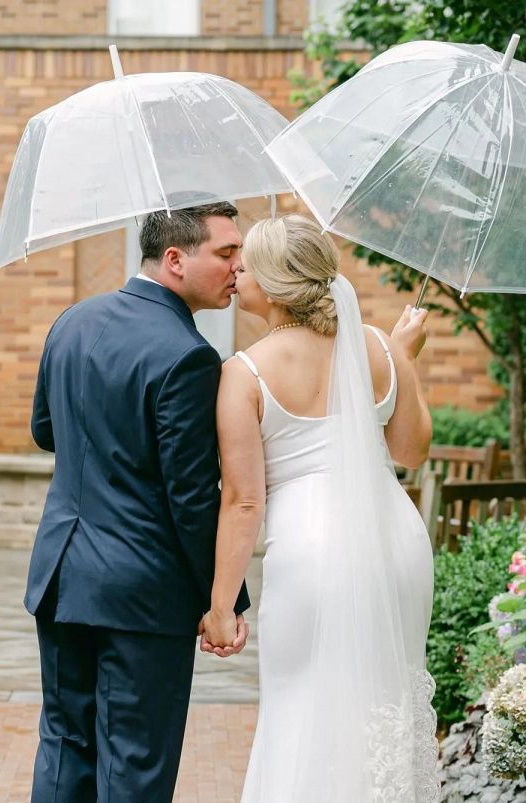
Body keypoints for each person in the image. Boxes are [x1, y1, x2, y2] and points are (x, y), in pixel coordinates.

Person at [201, 214, 441, 802]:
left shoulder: (245, 371)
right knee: (384, 700)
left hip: (312, 550)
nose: (237, 272)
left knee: (301, 707)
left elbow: (244, 500)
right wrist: (401, 359)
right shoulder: (381, 347)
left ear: (275, 284)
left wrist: (220, 604)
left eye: (246, 263)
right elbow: (409, 451)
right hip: (395, 543)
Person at [26, 202, 250, 803]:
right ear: (175, 259)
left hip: (61, 576)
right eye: (226, 253)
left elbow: (46, 432)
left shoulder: (70, 321)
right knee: (135, 765)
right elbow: (193, 498)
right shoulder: (189, 354)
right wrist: (223, 599)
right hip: (141, 596)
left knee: (64, 746)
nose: (240, 265)